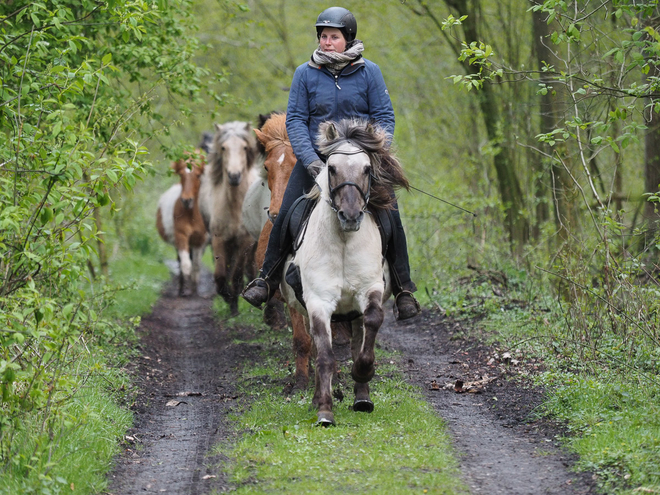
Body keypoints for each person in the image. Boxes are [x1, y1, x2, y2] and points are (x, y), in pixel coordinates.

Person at [242, 6, 420, 320]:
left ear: (347, 39)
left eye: (333, 37)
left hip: (360, 163)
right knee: (284, 213)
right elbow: (296, 120)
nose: (326, 42)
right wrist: (310, 161)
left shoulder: (370, 72)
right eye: (323, 36)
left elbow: (384, 118)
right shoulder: (305, 73)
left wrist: (372, 155)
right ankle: (266, 278)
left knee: (391, 215)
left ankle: (404, 288)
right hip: (316, 161)